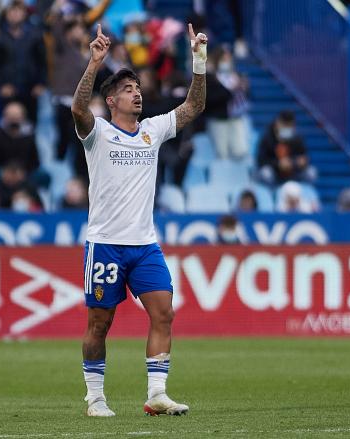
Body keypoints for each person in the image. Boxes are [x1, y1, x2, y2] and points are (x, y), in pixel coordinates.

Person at [72, 23, 207, 417]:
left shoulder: (152, 130)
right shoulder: (97, 134)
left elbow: (194, 107)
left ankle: (157, 394)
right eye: (128, 90)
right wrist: (95, 62)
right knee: (100, 324)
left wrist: (198, 59)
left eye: (138, 89)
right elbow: (79, 108)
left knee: (164, 312)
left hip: (144, 244)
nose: (137, 94)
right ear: (111, 100)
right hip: (106, 243)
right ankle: (95, 398)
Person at [257, 111, 317, 185]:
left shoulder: (297, 138)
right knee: (266, 173)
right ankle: (270, 194)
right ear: (277, 123)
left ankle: (301, 194)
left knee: (311, 172)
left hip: (294, 173)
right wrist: (278, 164)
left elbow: (304, 157)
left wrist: (299, 162)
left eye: (290, 126)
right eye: (285, 125)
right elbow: (261, 161)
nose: (287, 128)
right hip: (275, 174)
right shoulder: (267, 138)